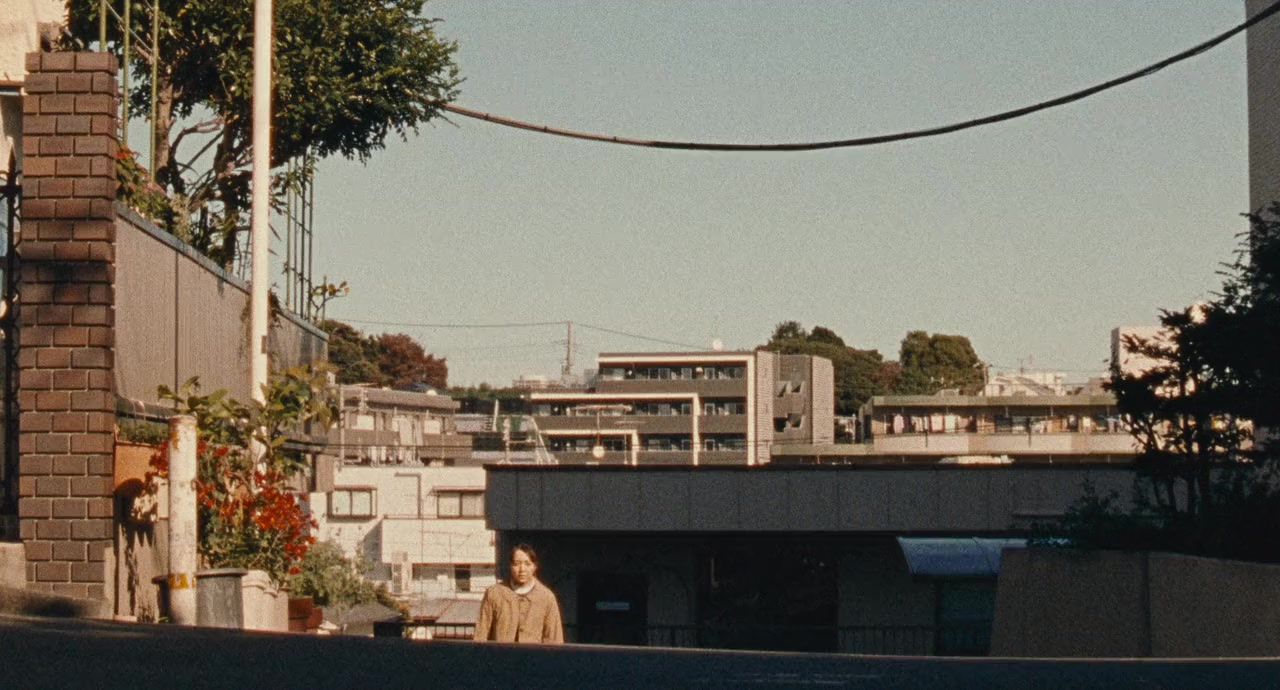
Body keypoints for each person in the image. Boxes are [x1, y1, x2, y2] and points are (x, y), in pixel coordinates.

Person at [473, 544, 564, 644]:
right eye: (517, 564)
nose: (522, 569)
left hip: (533, 654)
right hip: (501, 653)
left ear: (535, 567)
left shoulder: (547, 598)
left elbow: (554, 640)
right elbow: (480, 635)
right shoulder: (494, 593)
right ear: (510, 566)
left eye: (527, 564)